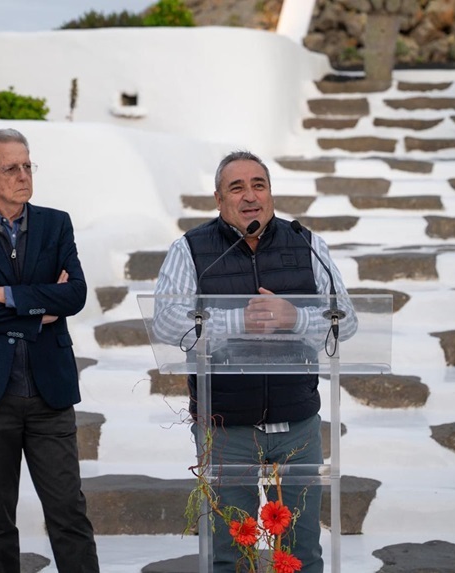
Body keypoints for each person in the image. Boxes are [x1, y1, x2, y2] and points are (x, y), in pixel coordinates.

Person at [154, 150, 356, 573]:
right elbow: (167, 322)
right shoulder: (190, 249)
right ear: (218, 199)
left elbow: (348, 320)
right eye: (237, 187)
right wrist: (237, 321)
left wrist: (295, 318)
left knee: (301, 552)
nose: (250, 196)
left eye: (258, 185)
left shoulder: (307, 244)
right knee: (230, 553)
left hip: (296, 422)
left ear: (270, 193)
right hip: (225, 427)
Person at [0, 128, 99, 573]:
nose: (23, 175)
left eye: (28, 165)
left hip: (49, 390)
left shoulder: (56, 223)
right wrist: (38, 310)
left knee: (68, 512)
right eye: (11, 168)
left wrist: (7, 296)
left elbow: (75, 294)